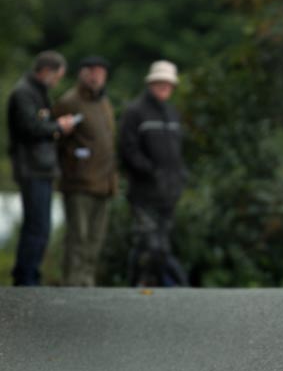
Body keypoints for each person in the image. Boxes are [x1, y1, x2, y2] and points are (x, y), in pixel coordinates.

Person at [7, 50, 78, 285]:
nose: (57, 82)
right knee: (37, 226)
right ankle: (26, 278)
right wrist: (58, 127)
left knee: (41, 226)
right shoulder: (24, 92)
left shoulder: (38, 92)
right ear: (46, 71)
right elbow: (30, 127)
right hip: (31, 167)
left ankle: (30, 275)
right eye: (57, 77)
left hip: (42, 166)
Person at [118, 60, 188, 286]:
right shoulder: (135, 111)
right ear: (151, 83)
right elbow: (127, 149)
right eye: (160, 82)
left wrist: (180, 176)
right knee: (151, 244)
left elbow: (177, 151)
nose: (164, 87)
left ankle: (152, 287)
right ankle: (143, 284)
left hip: (169, 191)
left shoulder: (172, 112)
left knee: (160, 245)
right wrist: (149, 171)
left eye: (168, 83)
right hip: (144, 191)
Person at [53, 56, 118, 286]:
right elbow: (55, 138)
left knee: (95, 238)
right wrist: (73, 162)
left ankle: (86, 283)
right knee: (77, 237)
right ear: (81, 73)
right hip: (79, 181)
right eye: (91, 71)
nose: (95, 76)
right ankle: (72, 283)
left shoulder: (104, 102)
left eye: (100, 71)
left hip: (104, 181)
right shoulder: (69, 101)